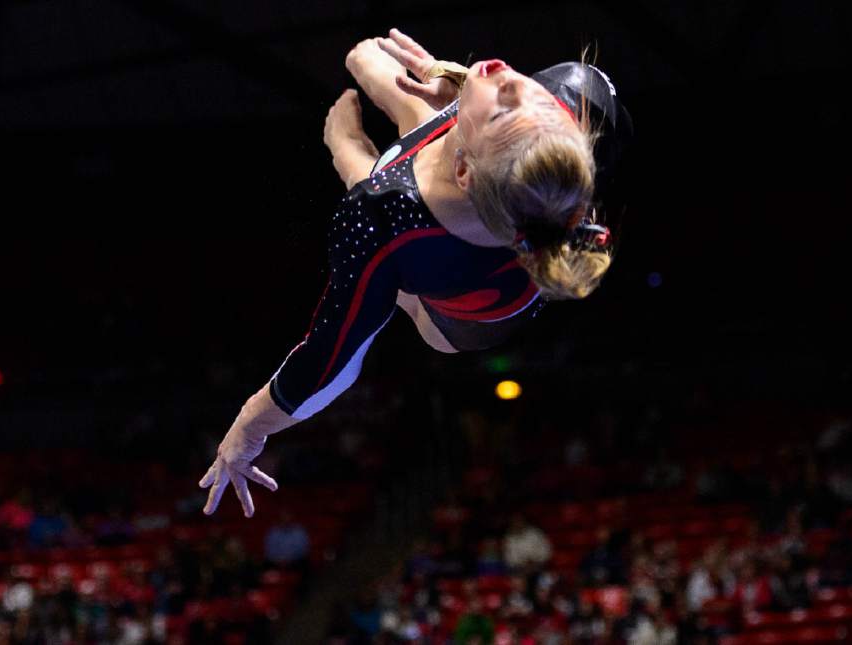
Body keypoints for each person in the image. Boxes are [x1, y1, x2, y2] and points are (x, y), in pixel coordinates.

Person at [198, 29, 632, 518]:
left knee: (368, 183)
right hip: (481, 192)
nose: (506, 75)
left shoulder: (388, 225)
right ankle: (441, 118)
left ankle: (351, 155)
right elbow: (506, 124)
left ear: (464, 171)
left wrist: (247, 429)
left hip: (455, 318)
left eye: (501, 109)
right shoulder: (579, 93)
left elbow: (331, 363)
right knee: (365, 57)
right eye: (532, 97)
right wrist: (460, 86)